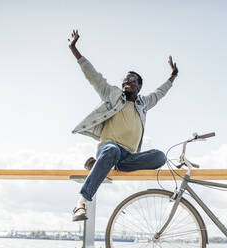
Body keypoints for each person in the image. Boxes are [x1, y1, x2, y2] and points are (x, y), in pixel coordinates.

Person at [68, 30, 178, 221]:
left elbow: (160, 93)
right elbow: (93, 76)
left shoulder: (143, 104)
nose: (126, 82)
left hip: (129, 158)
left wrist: (173, 76)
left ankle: (103, 166)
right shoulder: (112, 95)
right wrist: (74, 49)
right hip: (110, 148)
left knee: (159, 156)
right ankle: (81, 203)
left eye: (131, 81)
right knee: (111, 150)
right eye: (125, 80)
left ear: (139, 87)